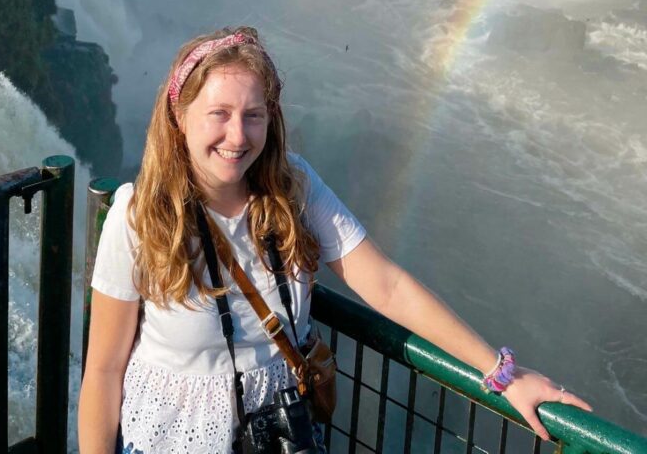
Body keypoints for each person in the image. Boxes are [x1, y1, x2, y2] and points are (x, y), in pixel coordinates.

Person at [78, 27, 591, 454]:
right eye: (219, 114)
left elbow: (385, 284)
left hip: (285, 435)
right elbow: (103, 370)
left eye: (253, 115)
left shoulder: (293, 188)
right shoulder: (138, 215)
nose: (238, 136)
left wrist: (502, 374)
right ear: (179, 116)